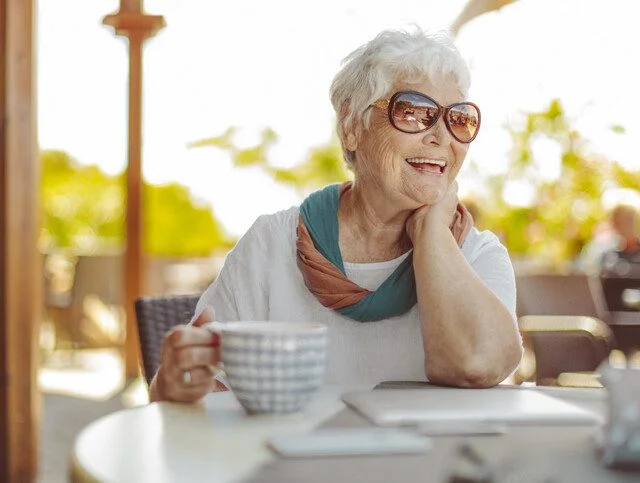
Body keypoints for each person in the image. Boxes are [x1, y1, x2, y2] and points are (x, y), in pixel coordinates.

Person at [151, 28, 523, 403]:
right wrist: (177, 383)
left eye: (458, 119)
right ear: (351, 127)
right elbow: (190, 396)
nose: (442, 136)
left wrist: (432, 232)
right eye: (413, 112)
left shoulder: (477, 256)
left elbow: (476, 365)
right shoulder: (272, 243)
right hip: (290, 460)